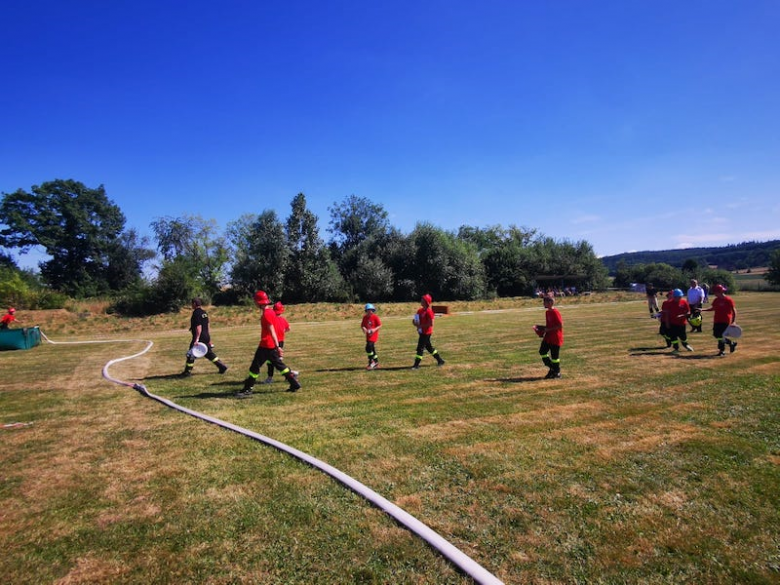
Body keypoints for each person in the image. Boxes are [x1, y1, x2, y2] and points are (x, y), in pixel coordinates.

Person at [237, 290, 301, 398]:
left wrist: (277, 346)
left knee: (254, 367)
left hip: (266, 345)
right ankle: (294, 383)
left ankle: (248, 389)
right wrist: (277, 346)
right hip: (270, 346)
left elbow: (272, 330)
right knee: (280, 366)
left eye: (255, 301)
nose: (255, 303)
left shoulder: (266, 314)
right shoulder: (271, 312)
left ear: (259, 302)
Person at [181, 298, 228, 376]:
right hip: (206, 336)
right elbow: (207, 325)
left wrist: (197, 339)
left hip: (200, 337)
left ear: (195, 304)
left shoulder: (196, 313)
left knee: (191, 354)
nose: (191, 305)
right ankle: (222, 366)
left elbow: (199, 326)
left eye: (192, 303)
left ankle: (187, 372)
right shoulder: (204, 313)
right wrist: (208, 338)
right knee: (209, 353)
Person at [701, 284, 738, 356]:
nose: (714, 294)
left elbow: (734, 310)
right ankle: (731, 343)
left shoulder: (728, 300)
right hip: (717, 320)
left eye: (715, 292)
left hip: (725, 320)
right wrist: (703, 310)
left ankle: (722, 351)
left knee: (721, 335)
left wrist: (733, 321)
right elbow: (713, 308)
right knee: (716, 335)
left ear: (720, 292)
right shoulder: (716, 300)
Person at [412, 294, 445, 369]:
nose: (421, 301)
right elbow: (415, 320)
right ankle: (440, 360)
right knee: (429, 348)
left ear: (426, 302)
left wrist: (420, 326)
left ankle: (416, 365)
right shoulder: (419, 311)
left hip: (426, 333)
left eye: (423, 300)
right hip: (421, 332)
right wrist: (414, 322)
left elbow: (431, 323)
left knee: (420, 348)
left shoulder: (429, 312)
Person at [262, 301, 291, 383]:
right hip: (281, 342)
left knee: (271, 361)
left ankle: (270, 378)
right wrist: (282, 331)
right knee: (278, 361)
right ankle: (289, 375)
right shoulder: (283, 320)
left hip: (273, 342)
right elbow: (288, 329)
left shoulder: (272, 319)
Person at [538, 295, 564, 378]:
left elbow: (560, 325)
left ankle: (556, 372)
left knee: (555, 357)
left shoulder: (555, 312)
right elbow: (549, 325)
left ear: (550, 303)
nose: (543, 304)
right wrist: (541, 330)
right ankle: (554, 369)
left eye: (545, 302)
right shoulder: (547, 312)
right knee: (542, 351)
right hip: (548, 337)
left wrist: (547, 330)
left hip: (555, 337)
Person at [667, 288, 694, 353]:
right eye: (677, 297)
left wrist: (683, 316)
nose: (679, 298)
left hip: (682, 323)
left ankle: (686, 345)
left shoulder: (684, 302)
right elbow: (667, 314)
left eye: (680, 297)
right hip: (672, 323)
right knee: (673, 336)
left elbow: (688, 312)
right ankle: (676, 348)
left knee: (683, 336)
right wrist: (667, 323)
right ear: (674, 297)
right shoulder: (670, 303)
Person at [361, 303, 382, 370]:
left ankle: (371, 362)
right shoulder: (365, 317)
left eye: (371, 310)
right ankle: (376, 362)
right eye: (368, 310)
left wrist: (374, 330)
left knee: (368, 347)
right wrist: (364, 329)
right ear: (366, 311)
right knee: (372, 349)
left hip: (373, 335)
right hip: (368, 335)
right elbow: (363, 325)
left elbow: (380, 325)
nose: (370, 311)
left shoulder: (375, 317)